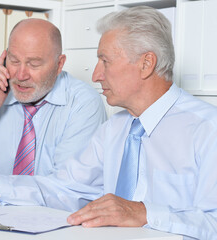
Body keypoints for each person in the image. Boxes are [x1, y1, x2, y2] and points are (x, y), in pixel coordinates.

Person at [65, 6, 217, 239]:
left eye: (105, 61)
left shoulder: (209, 129)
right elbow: (65, 187)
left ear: (146, 64)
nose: (95, 75)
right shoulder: (113, 129)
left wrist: (145, 213)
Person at [0, 18, 107, 212]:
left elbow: (68, 191)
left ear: (59, 64)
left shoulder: (83, 103)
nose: (21, 75)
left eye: (33, 64)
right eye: (14, 61)